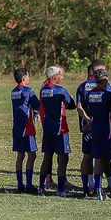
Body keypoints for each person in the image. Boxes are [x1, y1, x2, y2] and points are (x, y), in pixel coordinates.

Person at [37, 65, 77, 197]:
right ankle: (61, 189)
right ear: (55, 76)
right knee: (63, 158)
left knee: (47, 157)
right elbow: (72, 104)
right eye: (60, 74)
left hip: (47, 127)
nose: (62, 77)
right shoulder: (60, 90)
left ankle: (41, 187)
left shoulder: (44, 90)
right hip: (60, 128)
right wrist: (69, 100)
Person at [77, 59, 109, 197]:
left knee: (87, 155)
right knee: (101, 156)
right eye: (102, 70)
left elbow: (79, 107)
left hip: (87, 127)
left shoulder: (82, 87)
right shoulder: (106, 87)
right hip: (101, 126)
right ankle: (100, 185)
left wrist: (87, 121)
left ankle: (87, 185)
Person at [10, 68, 41, 194]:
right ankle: (28, 184)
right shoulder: (28, 91)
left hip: (17, 127)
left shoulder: (13, 91)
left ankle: (19, 184)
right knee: (32, 155)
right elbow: (37, 105)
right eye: (28, 76)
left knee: (20, 155)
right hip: (27, 128)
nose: (29, 78)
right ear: (24, 78)